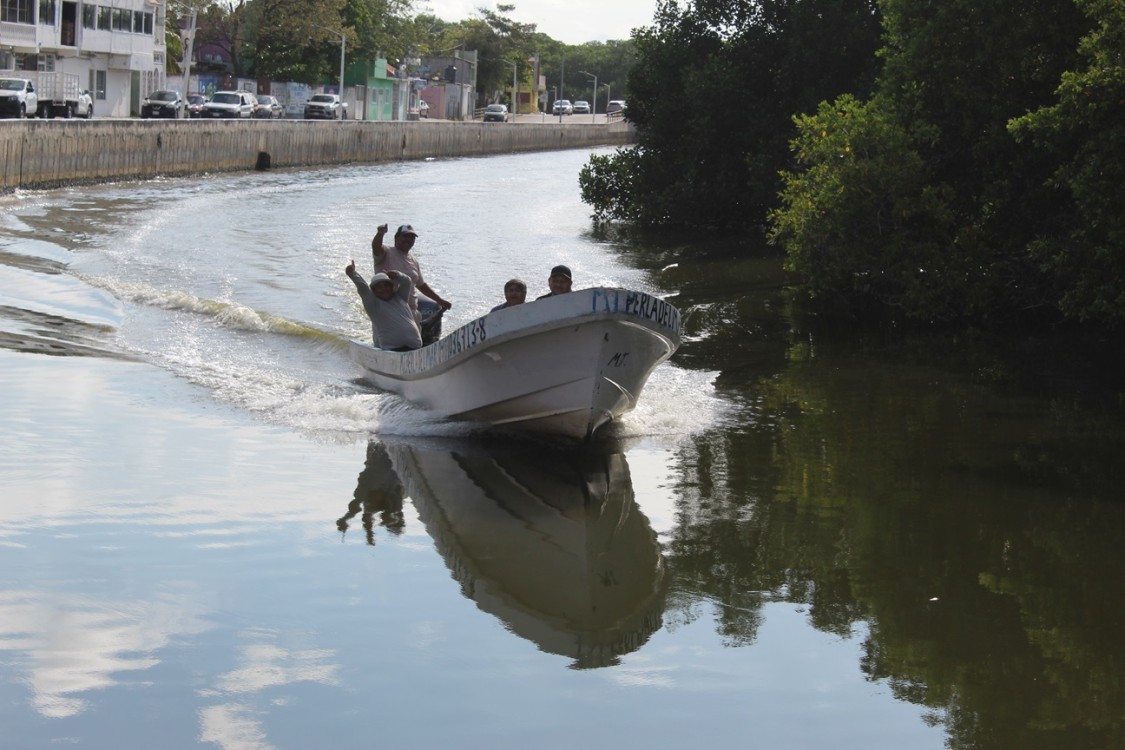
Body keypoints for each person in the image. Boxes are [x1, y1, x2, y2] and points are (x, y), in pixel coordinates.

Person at [370, 223, 451, 343]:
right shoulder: (386, 252)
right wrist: (380, 233)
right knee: (387, 343)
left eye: (412, 237)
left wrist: (439, 300)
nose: (409, 240)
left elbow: (421, 285)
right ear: (396, 238)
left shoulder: (413, 260)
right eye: (405, 236)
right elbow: (376, 247)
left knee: (414, 345)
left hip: (411, 311)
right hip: (389, 310)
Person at [345, 260, 423, 351]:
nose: (384, 289)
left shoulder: (400, 297)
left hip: (415, 347)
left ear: (392, 287)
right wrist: (352, 274)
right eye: (379, 287)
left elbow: (407, 281)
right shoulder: (373, 304)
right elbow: (363, 287)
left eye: (386, 285)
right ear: (373, 291)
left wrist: (397, 275)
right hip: (391, 350)